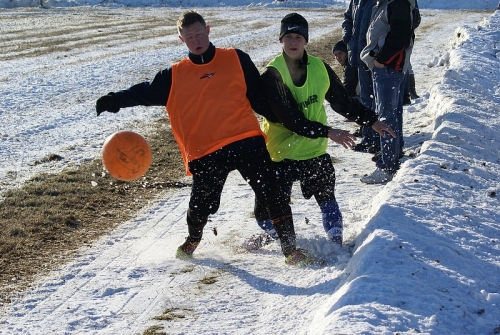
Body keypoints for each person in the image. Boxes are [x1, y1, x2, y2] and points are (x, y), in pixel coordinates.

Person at [95, 10, 312, 265]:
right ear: (181, 39)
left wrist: (290, 121)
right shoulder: (174, 76)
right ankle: (192, 240)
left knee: (272, 192)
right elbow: (144, 91)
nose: (196, 40)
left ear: (208, 30)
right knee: (200, 206)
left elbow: (259, 97)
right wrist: (115, 100)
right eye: (189, 37)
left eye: (199, 33)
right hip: (206, 150)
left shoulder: (236, 58)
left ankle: (291, 250)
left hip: (245, 139)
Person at [246, 13, 395, 249]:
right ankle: (272, 233)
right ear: (281, 41)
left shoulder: (319, 68)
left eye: (298, 37)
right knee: (264, 215)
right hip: (280, 154)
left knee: (327, 198)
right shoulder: (273, 74)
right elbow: (292, 120)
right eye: (288, 37)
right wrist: (329, 132)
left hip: (313, 151)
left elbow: (342, 101)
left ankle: (336, 245)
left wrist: (371, 121)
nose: (293, 42)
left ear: (305, 40)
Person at [360, 0, 416, 184]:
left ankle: (388, 166)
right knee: (392, 113)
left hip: (389, 68)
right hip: (390, 68)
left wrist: (381, 59)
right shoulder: (388, 2)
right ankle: (394, 154)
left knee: (386, 117)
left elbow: (401, 37)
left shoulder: (397, 2)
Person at [342, 0, 380, 154]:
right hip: (359, 55)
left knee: (378, 100)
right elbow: (348, 18)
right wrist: (348, 37)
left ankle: (378, 139)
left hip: (375, 57)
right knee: (366, 98)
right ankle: (368, 137)